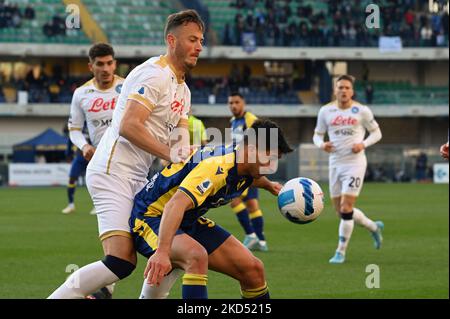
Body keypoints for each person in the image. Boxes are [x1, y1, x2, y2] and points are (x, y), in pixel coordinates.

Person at [48, 9, 204, 299]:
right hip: (111, 172)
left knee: (172, 248)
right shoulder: (154, 74)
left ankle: (102, 292)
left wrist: (195, 157)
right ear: (172, 40)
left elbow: (179, 146)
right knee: (121, 260)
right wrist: (172, 153)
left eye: (201, 40)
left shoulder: (184, 91)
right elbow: (129, 126)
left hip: (138, 179)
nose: (199, 46)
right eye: (192, 39)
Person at [131, 119, 293, 299]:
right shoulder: (217, 167)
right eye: (269, 158)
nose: (271, 166)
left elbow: (249, 176)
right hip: (151, 216)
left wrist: (269, 185)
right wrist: (162, 252)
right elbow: (174, 205)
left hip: (186, 219)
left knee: (253, 269)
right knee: (196, 256)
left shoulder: (245, 163)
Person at [313, 74, 384, 264]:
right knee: (340, 212)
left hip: (355, 163)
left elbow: (377, 133)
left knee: (346, 208)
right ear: (335, 90)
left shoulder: (361, 110)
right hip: (335, 163)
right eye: (340, 87)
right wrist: (322, 145)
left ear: (352, 91)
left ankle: (340, 252)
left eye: (347, 88)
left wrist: (363, 144)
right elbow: (317, 135)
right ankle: (373, 227)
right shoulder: (325, 111)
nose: (343, 91)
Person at [228, 92, 268, 251]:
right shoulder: (233, 121)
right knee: (252, 204)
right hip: (242, 165)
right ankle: (261, 240)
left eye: (236, 102)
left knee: (234, 201)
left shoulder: (250, 119)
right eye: (231, 103)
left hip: (247, 167)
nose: (233, 106)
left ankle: (250, 234)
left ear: (243, 103)